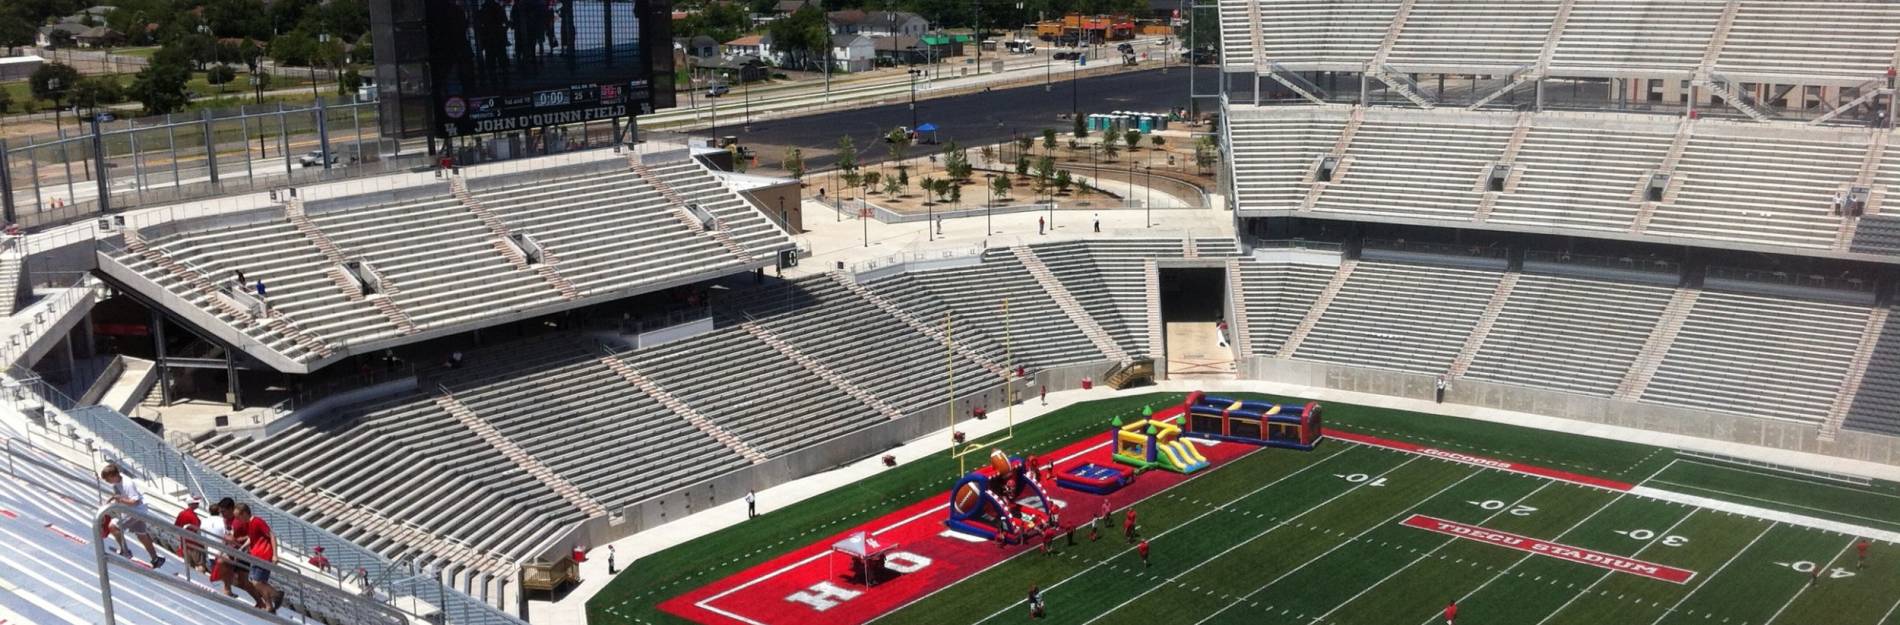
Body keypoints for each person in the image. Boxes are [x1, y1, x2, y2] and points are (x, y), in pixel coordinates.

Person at [99, 464, 165, 570]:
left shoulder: (128, 483)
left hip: (136, 511)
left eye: (107, 479)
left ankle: (125, 551)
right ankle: (156, 559)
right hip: (134, 511)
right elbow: (118, 496)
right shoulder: (116, 483)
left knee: (113, 526)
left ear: (113, 475)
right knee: (142, 536)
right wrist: (111, 500)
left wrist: (120, 499)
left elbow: (135, 501)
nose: (107, 481)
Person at [233, 503, 279, 613]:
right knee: (256, 581)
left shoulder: (257, 521)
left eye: (238, 516)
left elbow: (271, 535)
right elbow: (252, 537)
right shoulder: (249, 524)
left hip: (264, 555)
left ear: (244, 513)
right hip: (255, 555)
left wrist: (275, 555)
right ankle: (269, 606)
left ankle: (276, 595)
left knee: (257, 582)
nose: (237, 520)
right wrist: (243, 548)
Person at [175, 496, 204, 572]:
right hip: (194, 543)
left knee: (189, 564)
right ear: (192, 504)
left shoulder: (182, 513)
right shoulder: (193, 516)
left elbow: (176, 526)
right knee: (199, 564)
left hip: (184, 542)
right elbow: (197, 528)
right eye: (196, 503)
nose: (198, 504)